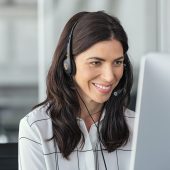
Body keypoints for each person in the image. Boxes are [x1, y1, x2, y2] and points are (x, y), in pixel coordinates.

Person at [18, 11, 135, 170]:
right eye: (95, 62)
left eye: (117, 62)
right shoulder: (36, 128)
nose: (109, 77)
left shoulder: (138, 127)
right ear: (68, 65)